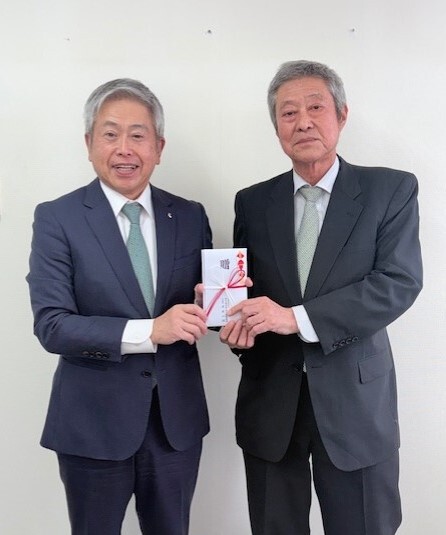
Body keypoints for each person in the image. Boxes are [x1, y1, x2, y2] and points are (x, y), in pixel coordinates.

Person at [220, 60, 422, 535]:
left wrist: (296, 318)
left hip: (356, 404)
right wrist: (226, 314)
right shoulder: (252, 201)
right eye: (288, 113)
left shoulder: (389, 189)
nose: (303, 122)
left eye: (316, 107)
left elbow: (397, 282)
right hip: (272, 402)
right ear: (276, 127)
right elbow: (250, 295)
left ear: (342, 115)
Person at [27, 78, 212, 535]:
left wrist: (214, 304)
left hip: (174, 425)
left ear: (159, 147)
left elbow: (197, 306)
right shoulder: (57, 218)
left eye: (138, 135)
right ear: (89, 143)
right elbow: (53, 325)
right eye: (110, 134)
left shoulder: (189, 215)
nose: (124, 149)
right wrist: (150, 331)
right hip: (92, 425)